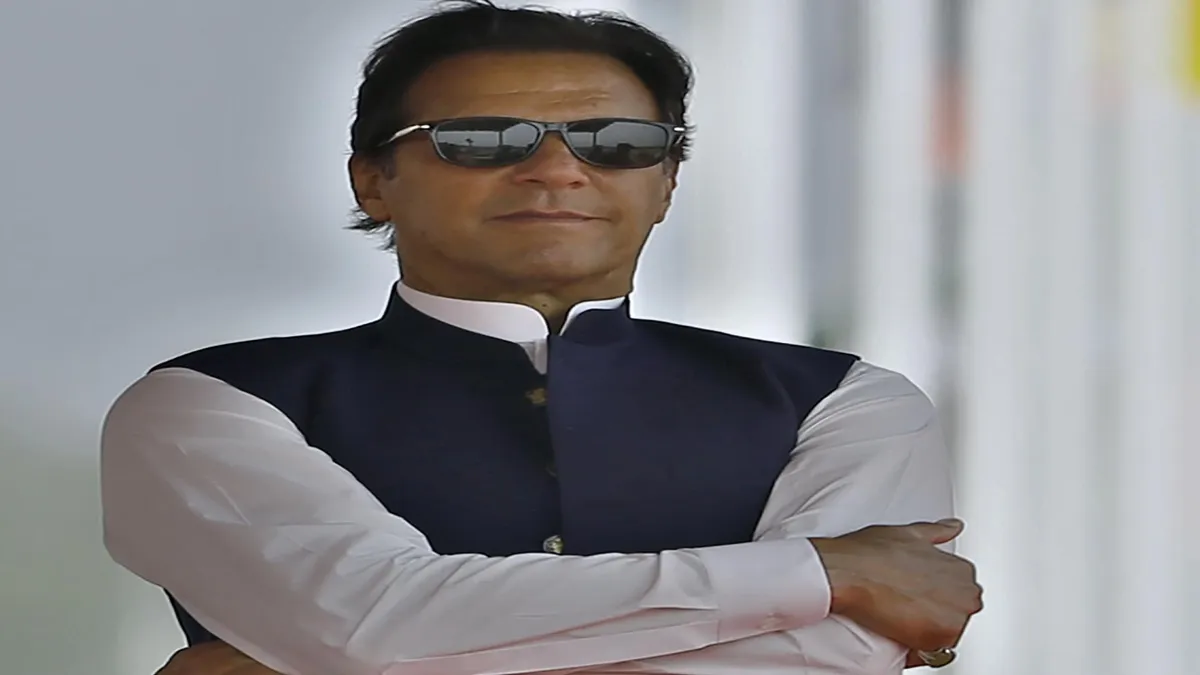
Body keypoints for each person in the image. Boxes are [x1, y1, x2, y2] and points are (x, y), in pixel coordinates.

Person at [99, 2, 982, 674]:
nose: (558, 168)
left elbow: (826, 662)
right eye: (482, 139)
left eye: (617, 142)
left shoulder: (844, 401)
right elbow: (367, 622)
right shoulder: (209, 405)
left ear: (667, 181)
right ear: (373, 180)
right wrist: (816, 574)